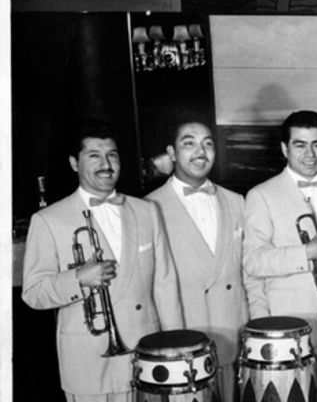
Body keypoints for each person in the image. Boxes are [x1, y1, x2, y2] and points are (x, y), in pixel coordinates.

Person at [22, 118, 183, 402]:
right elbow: (33, 293)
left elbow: (165, 285)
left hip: (145, 357)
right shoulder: (48, 220)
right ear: (74, 163)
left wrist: (173, 347)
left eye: (112, 155)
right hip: (88, 363)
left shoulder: (146, 211)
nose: (105, 164)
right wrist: (78, 279)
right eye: (94, 156)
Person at [146, 117, 266, 402]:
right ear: (172, 153)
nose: (201, 151)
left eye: (208, 144)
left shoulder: (237, 201)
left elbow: (249, 272)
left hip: (235, 337)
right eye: (189, 144)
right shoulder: (148, 207)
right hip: (185, 343)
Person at [242, 110, 317, 348]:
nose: (310, 154)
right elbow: (253, 262)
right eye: (300, 145)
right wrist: (307, 252)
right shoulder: (261, 195)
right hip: (293, 318)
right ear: (285, 149)